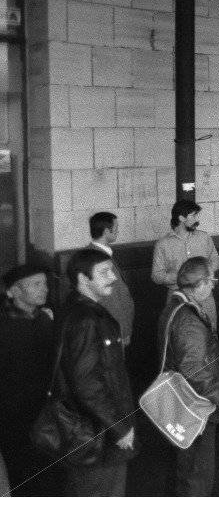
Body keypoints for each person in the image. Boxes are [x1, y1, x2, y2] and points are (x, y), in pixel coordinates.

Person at [158, 257, 219, 496]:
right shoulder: (189, 320)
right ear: (201, 283)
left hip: (178, 404)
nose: (214, 285)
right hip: (195, 408)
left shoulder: (174, 306)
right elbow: (193, 368)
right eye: (212, 281)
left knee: (182, 469)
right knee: (197, 475)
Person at [58, 248, 136, 496]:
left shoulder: (78, 310)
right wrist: (120, 427)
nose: (112, 277)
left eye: (111, 270)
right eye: (103, 272)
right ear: (83, 279)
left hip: (92, 431)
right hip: (98, 436)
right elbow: (88, 384)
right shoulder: (86, 320)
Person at [0, 264, 56, 495]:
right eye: (35, 284)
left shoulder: (43, 319)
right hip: (15, 416)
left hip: (45, 410)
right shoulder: (4, 326)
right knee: (24, 475)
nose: (44, 289)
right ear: (13, 292)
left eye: (45, 283)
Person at [152, 200, 219, 323]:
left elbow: (215, 260)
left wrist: (203, 273)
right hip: (178, 299)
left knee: (210, 335)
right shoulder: (163, 244)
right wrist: (182, 277)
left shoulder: (204, 238)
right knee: (181, 335)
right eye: (193, 215)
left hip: (205, 296)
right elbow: (156, 275)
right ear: (182, 218)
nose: (197, 219)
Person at [87, 212, 135, 347]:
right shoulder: (97, 259)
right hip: (111, 331)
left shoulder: (98, 254)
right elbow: (111, 300)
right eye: (116, 227)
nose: (118, 230)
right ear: (107, 231)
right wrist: (123, 331)